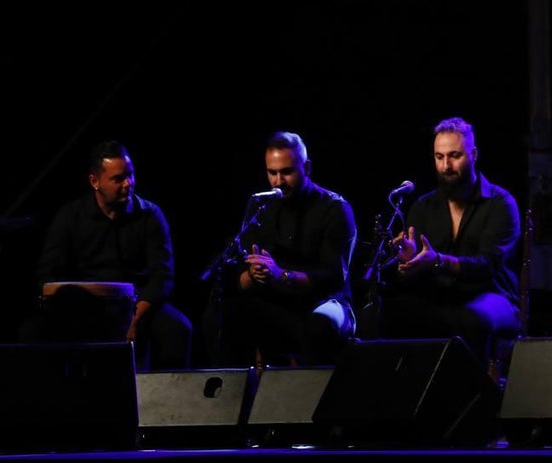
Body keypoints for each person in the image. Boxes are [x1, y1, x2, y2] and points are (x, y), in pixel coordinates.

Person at [22, 139, 192, 371]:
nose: (128, 184)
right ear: (95, 181)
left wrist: (135, 318)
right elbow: (48, 274)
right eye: (118, 178)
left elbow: (163, 276)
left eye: (130, 175)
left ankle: (166, 394)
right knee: (32, 331)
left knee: (178, 329)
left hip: (136, 304)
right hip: (83, 305)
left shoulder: (150, 215)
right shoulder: (71, 216)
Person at [376, 116, 521, 372]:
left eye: (455, 156)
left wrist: (439, 261)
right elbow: (413, 271)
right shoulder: (424, 206)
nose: (446, 166)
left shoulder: (501, 203)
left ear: (473, 155)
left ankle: (472, 393)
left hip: (493, 295)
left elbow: (487, 266)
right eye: (439, 157)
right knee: (384, 312)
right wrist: (407, 261)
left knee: (472, 319)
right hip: (440, 297)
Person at [202, 131, 357, 368]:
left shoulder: (335, 208)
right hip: (278, 302)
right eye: (272, 173)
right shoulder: (262, 207)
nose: (278, 181)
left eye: (286, 172)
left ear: (307, 168)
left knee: (320, 324)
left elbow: (332, 277)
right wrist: (253, 274)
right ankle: (231, 388)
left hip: (324, 301)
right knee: (221, 313)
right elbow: (241, 276)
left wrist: (282, 275)